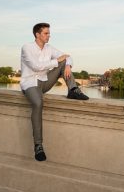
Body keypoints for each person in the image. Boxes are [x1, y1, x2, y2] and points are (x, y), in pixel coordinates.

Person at [20, 22, 89, 162]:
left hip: (45, 82)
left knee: (64, 63)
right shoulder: (27, 47)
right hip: (30, 83)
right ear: (37, 34)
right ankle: (38, 145)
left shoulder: (49, 48)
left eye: (49, 33)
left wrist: (67, 64)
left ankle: (73, 89)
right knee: (38, 103)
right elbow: (36, 66)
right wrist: (57, 60)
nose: (49, 36)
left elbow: (67, 56)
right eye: (46, 33)